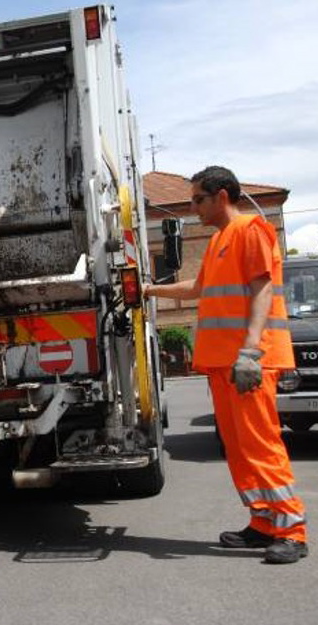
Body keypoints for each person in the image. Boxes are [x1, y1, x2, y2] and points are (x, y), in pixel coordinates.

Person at [144, 166, 307, 564]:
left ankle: (292, 531)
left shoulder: (251, 229)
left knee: (261, 446)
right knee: (239, 450)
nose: (192, 208)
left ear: (221, 196)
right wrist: (150, 288)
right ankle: (263, 524)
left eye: (198, 199)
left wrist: (251, 351)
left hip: (248, 361)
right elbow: (198, 290)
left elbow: (262, 289)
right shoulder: (220, 239)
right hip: (224, 365)